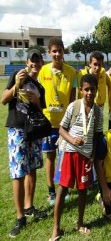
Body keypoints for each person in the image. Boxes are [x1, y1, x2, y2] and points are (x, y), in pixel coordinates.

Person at [50, 75, 103, 240]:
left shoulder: (98, 112)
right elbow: (61, 129)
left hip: (86, 156)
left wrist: (93, 157)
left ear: (96, 90)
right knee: (63, 189)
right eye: (86, 89)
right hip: (70, 153)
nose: (89, 93)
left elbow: (96, 137)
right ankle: (56, 228)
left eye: (92, 89)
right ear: (81, 90)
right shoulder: (74, 106)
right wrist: (73, 140)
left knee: (83, 190)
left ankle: (80, 223)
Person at [2, 50, 48, 237]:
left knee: (32, 169)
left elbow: (42, 107)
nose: (35, 63)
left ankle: (29, 207)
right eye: (33, 60)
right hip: (17, 130)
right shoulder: (17, 75)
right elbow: (3, 99)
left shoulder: (40, 86)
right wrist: (16, 86)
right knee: (18, 172)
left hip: (34, 131)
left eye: (38, 60)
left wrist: (37, 100)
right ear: (27, 61)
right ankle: (20, 216)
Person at [38, 37, 77, 205]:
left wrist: (70, 121)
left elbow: (73, 97)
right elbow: (38, 95)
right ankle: (51, 191)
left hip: (64, 124)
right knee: (50, 157)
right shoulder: (43, 71)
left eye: (59, 51)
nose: (57, 54)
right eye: (53, 51)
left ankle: (63, 188)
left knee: (64, 157)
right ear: (49, 53)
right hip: (47, 123)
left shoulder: (71, 72)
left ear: (63, 52)